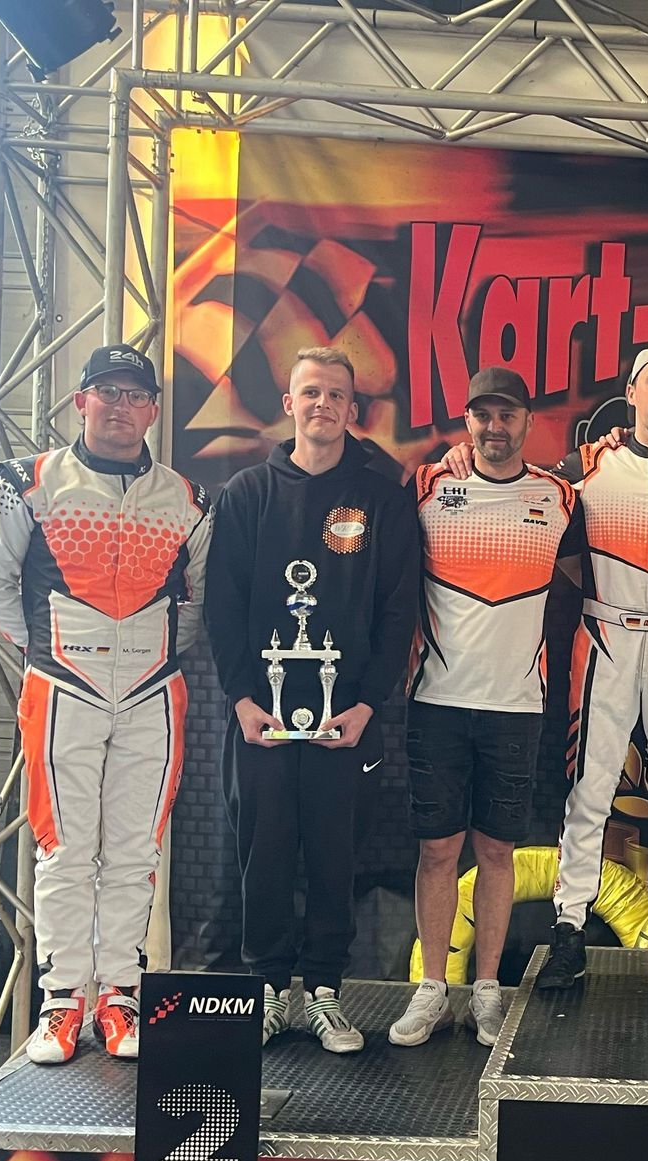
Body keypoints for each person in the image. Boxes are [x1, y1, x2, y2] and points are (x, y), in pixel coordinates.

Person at [443, 343, 648, 990]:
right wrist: (461, 457)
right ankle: (569, 929)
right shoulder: (585, 467)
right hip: (606, 636)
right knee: (590, 790)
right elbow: (515, 489)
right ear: (631, 392)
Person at [0, 344, 210, 1064]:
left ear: (154, 410)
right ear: (80, 402)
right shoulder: (24, 482)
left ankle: (121, 996)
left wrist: (152, 655)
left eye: (135, 395)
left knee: (136, 851)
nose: (120, 406)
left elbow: (197, 602)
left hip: (153, 691)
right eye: (107, 391)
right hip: (61, 687)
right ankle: (62, 1000)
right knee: (65, 850)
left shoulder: (190, 499)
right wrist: (46, 650)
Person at [205, 346, 421, 1052]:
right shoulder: (246, 495)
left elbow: (399, 611)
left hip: (347, 718)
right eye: (310, 393)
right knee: (262, 853)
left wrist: (368, 704)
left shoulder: (383, 499)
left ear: (353, 409)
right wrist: (242, 699)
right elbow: (222, 606)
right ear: (288, 404)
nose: (322, 404)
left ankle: (325, 992)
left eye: (335, 395)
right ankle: (269, 990)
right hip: (261, 717)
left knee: (335, 857)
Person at [390, 367, 581, 1048]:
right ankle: (432, 989)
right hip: (436, 701)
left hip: (516, 705)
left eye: (507, 415)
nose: (494, 428)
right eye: (482, 416)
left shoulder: (560, 496)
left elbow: (595, 573)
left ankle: (488, 990)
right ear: (466, 420)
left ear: (528, 421)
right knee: (437, 850)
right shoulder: (426, 486)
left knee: (498, 851)